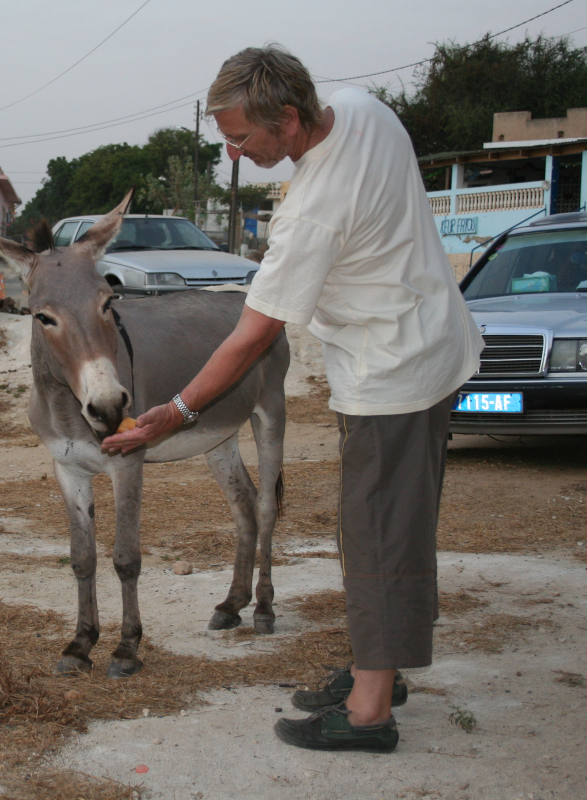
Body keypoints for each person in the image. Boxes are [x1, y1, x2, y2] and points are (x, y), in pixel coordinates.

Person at [103, 45, 483, 751]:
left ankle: (370, 713)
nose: (236, 156)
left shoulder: (310, 211)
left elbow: (249, 337)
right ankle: (382, 667)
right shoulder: (364, 110)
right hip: (438, 343)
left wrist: (175, 413)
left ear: (286, 116)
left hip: (391, 376)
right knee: (400, 525)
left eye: (242, 138)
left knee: (375, 534)